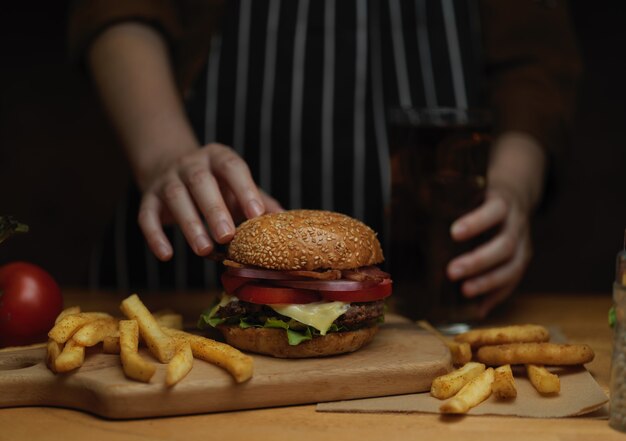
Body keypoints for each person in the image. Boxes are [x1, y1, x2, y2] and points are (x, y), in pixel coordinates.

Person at [68, 0, 581, 317]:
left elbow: (535, 55)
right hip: (181, 261)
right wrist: (165, 154)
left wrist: (513, 185)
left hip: (444, 275)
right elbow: (117, 8)